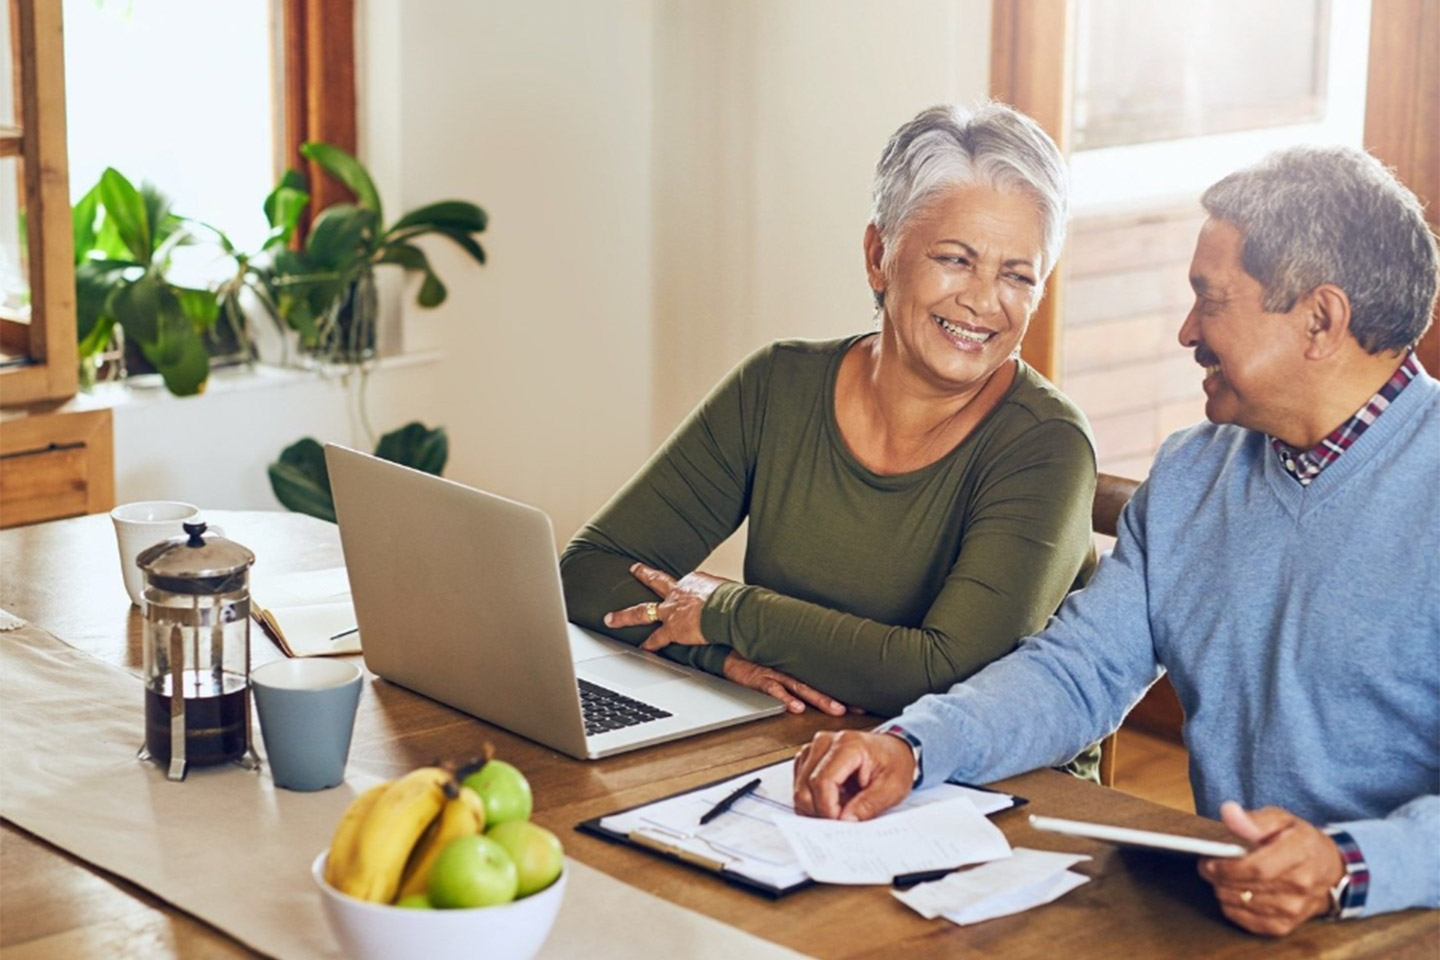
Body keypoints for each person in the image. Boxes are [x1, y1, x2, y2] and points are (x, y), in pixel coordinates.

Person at [792, 145, 1440, 936]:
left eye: (1212, 300)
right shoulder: (1193, 474)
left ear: (1320, 319)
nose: (1185, 330)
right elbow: (1078, 673)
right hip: (1233, 920)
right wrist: (913, 746)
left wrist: (1348, 866)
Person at [559, 103, 1100, 758]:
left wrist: (725, 611)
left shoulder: (1047, 447)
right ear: (879, 255)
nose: (984, 301)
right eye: (957, 259)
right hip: (794, 755)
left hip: (989, 793)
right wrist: (722, 659)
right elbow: (588, 575)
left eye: (1017, 274)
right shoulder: (776, 387)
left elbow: (944, 675)